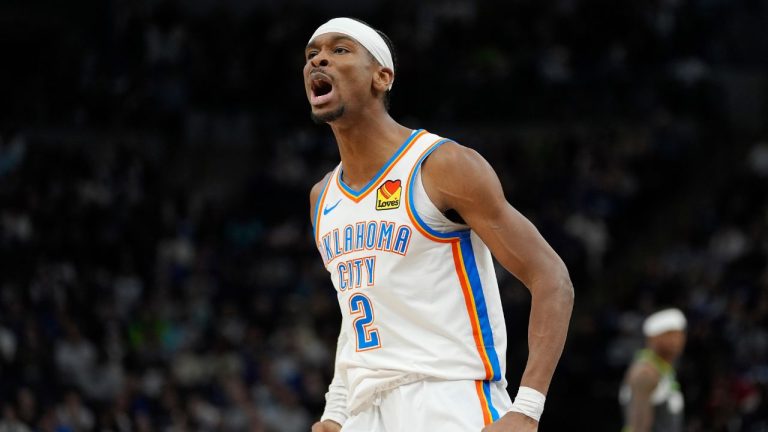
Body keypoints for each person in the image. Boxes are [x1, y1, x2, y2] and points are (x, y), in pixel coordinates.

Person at [305, 17, 574, 432]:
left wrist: (528, 409)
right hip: (365, 411)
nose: (319, 59)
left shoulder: (442, 165)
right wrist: (336, 410)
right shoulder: (323, 197)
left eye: (340, 50)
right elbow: (358, 305)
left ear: (382, 76)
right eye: (312, 54)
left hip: (448, 398)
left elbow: (551, 277)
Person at [619, 308, 687, 432]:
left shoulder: (664, 370)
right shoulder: (645, 373)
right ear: (652, 338)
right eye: (669, 334)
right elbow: (637, 428)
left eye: (679, 334)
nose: (676, 340)